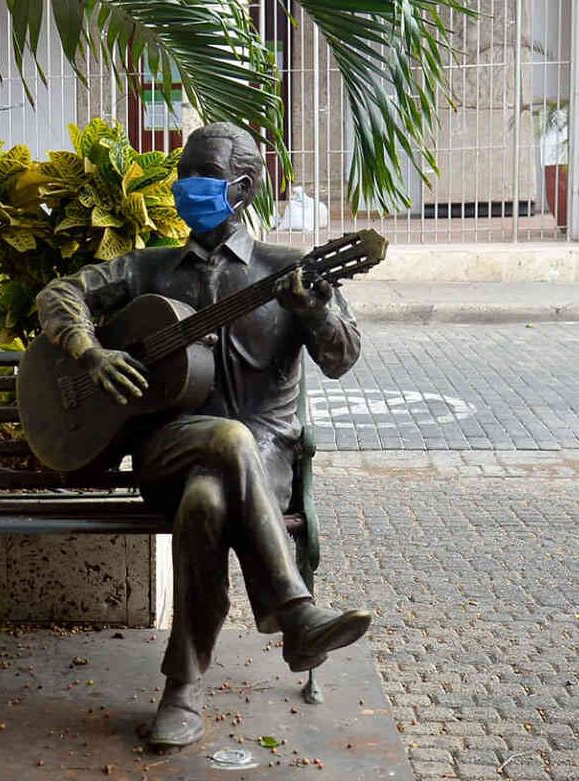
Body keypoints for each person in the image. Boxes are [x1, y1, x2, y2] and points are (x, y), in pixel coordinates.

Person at [34, 122, 372, 748]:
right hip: (166, 451)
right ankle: (295, 614)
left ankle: (181, 690)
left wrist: (317, 311)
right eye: (183, 174)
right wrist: (90, 353)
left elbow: (342, 357)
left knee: (208, 500)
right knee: (225, 439)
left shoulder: (288, 271)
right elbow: (60, 294)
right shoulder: (150, 268)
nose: (189, 185)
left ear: (243, 188)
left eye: (205, 176)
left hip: (263, 461)